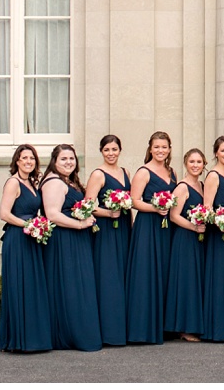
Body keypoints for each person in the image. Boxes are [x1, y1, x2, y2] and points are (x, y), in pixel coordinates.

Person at [40, 143, 101, 351]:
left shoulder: (68, 181)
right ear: (54, 162)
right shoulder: (54, 182)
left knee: (75, 286)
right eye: (64, 159)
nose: (69, 162)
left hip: (75, 239)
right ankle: (69, 334)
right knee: (69, 286)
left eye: (72, 159)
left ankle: (76, 332)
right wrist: (80, 223)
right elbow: (52, 214)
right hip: (63, 240)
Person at [0, 144, 52, 353]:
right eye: (24, 158)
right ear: (17, 161)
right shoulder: (13, 183)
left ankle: (34, 338)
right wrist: (29, 225)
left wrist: (37, 225)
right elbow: (4, 213)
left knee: (32, 286)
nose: (28, 161)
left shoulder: (31, 183)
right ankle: (19, 340)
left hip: (32, 238)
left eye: (32, 158)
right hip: (17, 240)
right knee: (20, 285)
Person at [126, 131, 175, 345]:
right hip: (148, 226)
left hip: (166, 227)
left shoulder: (171, 172)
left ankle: (163, 325)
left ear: (169, 149)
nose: (160, 151)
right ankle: (142, 327)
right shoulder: (143, 172)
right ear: (150, 148)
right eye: (156, 147)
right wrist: (156, 208)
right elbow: (134, 201)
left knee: (163, 272)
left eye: (164, 147)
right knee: (146, 273)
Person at [85, 134, 131, 348]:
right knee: (109, 277)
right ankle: (109, 331)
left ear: (120, 150)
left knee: (123, 276)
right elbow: (87, 206)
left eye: (114, 149)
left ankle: (124, 328)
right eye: (107, 150)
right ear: (101, 152)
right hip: (106, 230)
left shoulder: (126, 173)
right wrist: (108, 213)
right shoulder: (98, 174)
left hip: (123, 229)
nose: (111, 153)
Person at [164, 147, 208, 342]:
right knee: (187, 280)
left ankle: (194, 324)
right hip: (185, 238)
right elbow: (173, 216)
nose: (195, 165)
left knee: (196, 280)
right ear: (185, 164)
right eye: (192, 162)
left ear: (204, 164)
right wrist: (193, 227)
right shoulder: (182, 187)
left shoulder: (202, 185)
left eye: (199, 162)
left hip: (199, 239)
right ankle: (183, 327)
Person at [200, 136, 224, 343]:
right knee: (219, 277)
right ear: (216, 152)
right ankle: (217, 328)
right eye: (223, 150)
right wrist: (220, 221)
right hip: (219, 232)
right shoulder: (213, 176)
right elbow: (207, 209)